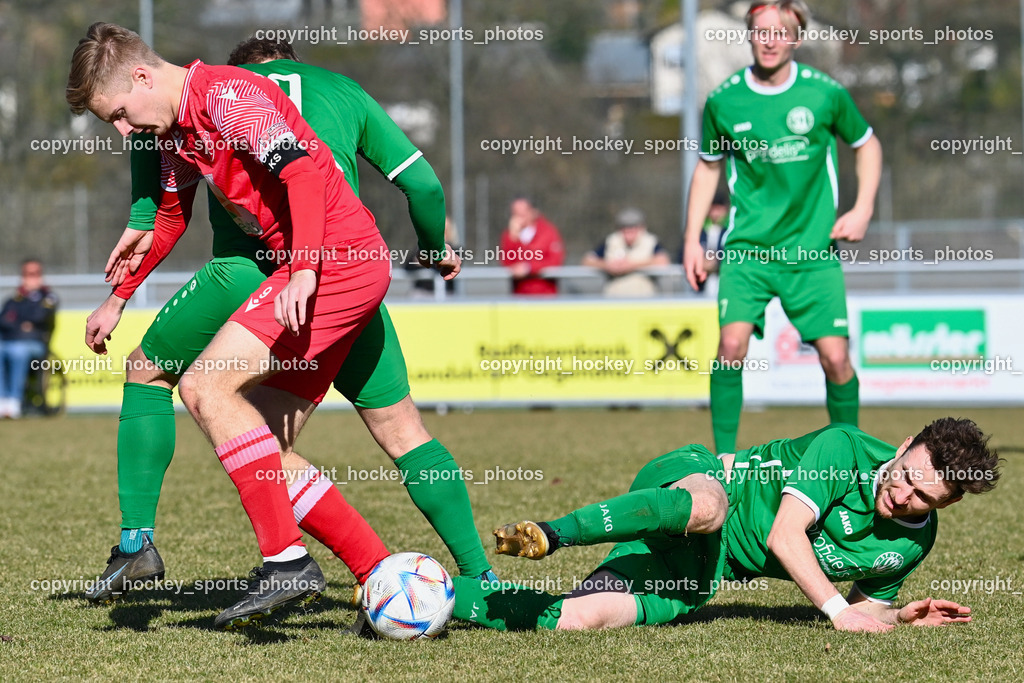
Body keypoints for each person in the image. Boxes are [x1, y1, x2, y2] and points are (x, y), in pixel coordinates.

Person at [76, 36, 495, 622]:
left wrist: (303, 268)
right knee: (266, 442)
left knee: (204, 387)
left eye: (119, 114)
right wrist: (118, 296)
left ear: (143, 77)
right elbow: (171, 215)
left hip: (336, 263)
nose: (122, 131)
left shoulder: (229, 94)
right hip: (317, 268)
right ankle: (383, 576)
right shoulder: (178, 128)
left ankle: (285, 561)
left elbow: (300, 173)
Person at [453, 418, 999, 632]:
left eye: (919, 498)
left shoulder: (912, 544)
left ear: (943, 505)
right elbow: (783, 536)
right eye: (904, 474)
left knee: (580, 619)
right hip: (700, 484)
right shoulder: (845, 448)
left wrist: (902, 615)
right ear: (903, 447)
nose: (898, 495)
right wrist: (834, 611)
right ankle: (554, 533)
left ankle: (447, 598)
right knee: (708, 508)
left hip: (703, 574)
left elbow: (866, 613)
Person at [682, 0, 883, 455]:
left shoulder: (824, 94)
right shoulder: (724, 100)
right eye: (761, 30)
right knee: (730, 347)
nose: (770, 39)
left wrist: (863, 207)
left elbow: (867, 146)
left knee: (836, 359)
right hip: (749, 251)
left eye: (781, 30)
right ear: (749, 34)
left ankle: (847, 456)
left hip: (812, 253)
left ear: (796, 36)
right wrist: (692, 239)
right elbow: (708, 168)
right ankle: (725, 464)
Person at [0, 259, 58, 419]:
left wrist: (17, 320)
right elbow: (4, 319)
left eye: (35, 274)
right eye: (27, 274)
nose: (31, 278)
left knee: (18, 352)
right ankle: (2, 400)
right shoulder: (14, 299)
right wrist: (22, 323)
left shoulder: (48, 298)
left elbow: (39, 317)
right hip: (9, 341)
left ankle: (14, 401)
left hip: (35, 344)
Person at [582, 207, 670, 297]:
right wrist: (607, 266)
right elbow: (588, 261)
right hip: (613, 299)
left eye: (633, 228)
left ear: (642, 228)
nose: (629, 232)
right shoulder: (611, 241)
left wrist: (631, 265)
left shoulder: (651, 241)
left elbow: (663, 261)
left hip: (643, 299)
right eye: (625, 228)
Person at [499, 197, 565, 295]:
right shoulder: (509, 235)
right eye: (516, 212)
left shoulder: (548, 231)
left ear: (533, 211)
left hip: (545, 294)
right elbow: (507, 263)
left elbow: (555, 261)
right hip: (520, 294)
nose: (520, 216)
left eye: (523, 211)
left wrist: (529, 268)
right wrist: (513, 238)